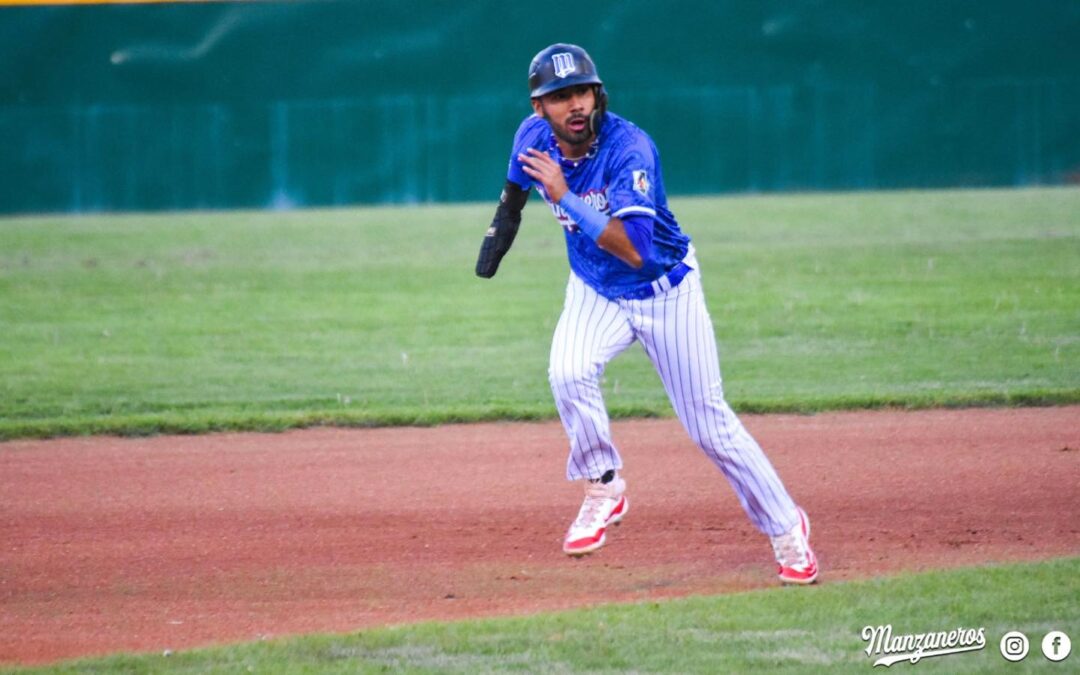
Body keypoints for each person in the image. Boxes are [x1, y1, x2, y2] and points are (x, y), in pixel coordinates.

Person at [475, 43, 818, 584]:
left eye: (582, 91)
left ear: (598, 94)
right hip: (595, 288)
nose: (575, 104)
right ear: (539, 108)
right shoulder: (531, 137)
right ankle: (603, 484)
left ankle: (785, 529)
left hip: (664, 289)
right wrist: (496, 240)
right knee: (567, 371)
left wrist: (564, 197)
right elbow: (514, 192)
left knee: (710, 427)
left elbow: (634, 249)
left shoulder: (629, 150)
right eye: (559, 97)